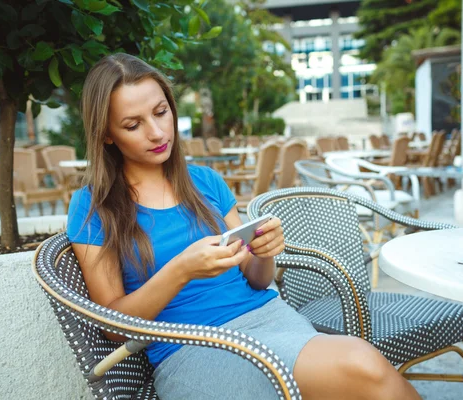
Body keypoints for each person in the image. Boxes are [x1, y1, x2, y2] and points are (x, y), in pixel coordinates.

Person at [67, 53, 420, 400]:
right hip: (192, 351)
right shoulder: (94, 206)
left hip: (268, 320)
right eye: (133, 125)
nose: (157, 132)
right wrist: (181, 270)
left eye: (161, 113)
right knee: (352, 371)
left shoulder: (205, 182)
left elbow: (256, 278)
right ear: (107, 135)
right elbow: (112, 327)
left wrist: (264, 252)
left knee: (367, 366)